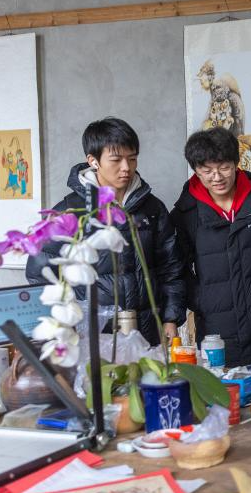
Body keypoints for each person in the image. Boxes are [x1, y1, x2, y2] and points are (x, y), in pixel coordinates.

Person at [26, 117, 185, 347]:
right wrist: (67, 324)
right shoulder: (69, 213)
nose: (126, 168)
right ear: (93, 161)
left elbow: (171, 268)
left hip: (148, 330)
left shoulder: (152, 208)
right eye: (116, 159)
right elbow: (39, 275)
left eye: (132, 159)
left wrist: (171, 319)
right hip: (91, 335)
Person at [171, 127, 251, 367]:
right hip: (215, 327)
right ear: (196, 170)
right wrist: (201, 298)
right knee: (224, 394)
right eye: (207, 170)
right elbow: (176, 268)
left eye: (224, 167)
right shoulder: (186, 213)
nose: (217, 177)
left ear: (237, 163)